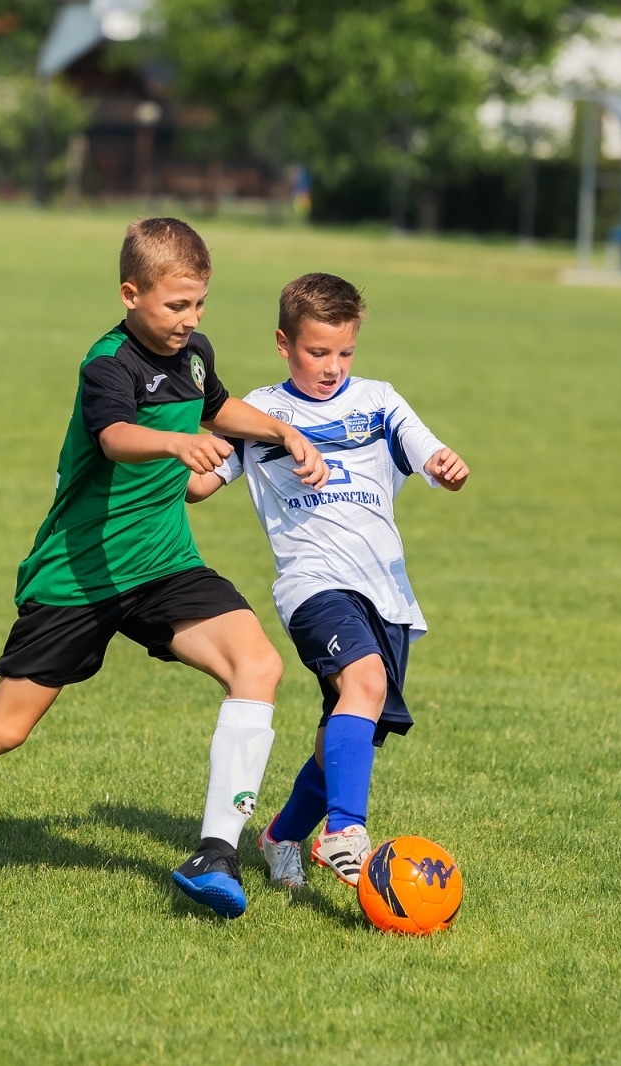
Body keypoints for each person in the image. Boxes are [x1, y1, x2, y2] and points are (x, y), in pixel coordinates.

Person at [0, 218, 328, 919]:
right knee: (2, 730)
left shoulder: (196, 353)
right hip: (79, 576)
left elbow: (216, 405)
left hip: (162, 565)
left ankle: (216, 852)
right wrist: (178, 448)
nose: (190, 320)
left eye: (200, 304)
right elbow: (115, 438)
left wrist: (282, 429)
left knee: (257, 668)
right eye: (176, 305)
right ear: (130, 293)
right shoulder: (107, 364)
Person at [185, 272, 468, 887]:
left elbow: (430, 455)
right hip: (312, 585)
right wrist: (158, 446)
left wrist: (445, 465)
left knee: (343, 737)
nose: (333, 366)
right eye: (318, 352)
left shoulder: (379, 399)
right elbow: (197, 483)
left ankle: (281, 836)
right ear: (284, 343)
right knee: (363, 683)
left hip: (386, 591)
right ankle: (345, 830)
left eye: (345, 352)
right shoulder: (260, 413)